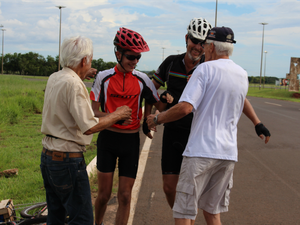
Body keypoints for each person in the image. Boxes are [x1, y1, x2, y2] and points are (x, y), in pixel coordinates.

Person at [144, 18, 271, 209]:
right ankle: (182, 216)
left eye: (203, 43)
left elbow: (239, 96)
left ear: (208, 45)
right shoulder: (171, 63)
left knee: (196, 193)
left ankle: (186, 220)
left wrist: (257, 122)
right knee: (170, 188)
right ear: (186, 38)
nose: (198, 47)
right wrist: (153, 110)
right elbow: (150, 92)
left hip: (195, 133)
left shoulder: (207, 66)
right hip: (173, 131)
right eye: (194, 40)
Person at [40, 36, 132, 225]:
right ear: (84, 60)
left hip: (48, 156)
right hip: (68, 160)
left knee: (56, 215)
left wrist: (82, 73)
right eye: (89, 59)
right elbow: (89, 126)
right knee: (81, 218)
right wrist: (118, 114)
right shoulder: (74, 84)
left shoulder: (55, 77)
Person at [90, 27, 160, 225]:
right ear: (118, 54)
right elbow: (93, 112)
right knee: (103, 195)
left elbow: (153, 100)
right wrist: (114, 117)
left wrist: (147, 120)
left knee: (125, 196)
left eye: (138, 57)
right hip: (108, 139)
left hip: (130, 140)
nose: (135, 61)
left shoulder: (142, 79)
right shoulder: (103, 77)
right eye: (131, 56)